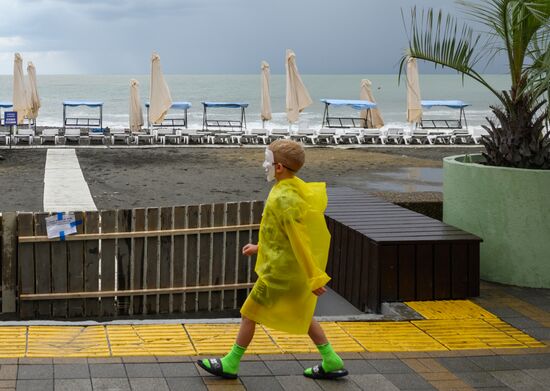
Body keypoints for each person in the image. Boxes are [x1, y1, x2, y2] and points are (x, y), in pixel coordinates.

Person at [198, 139, 348, 380]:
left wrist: (315, 276)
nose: (263, 165)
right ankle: (331, 359)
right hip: (288, 269)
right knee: (304, 314)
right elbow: (281, 235)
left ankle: (231, 362)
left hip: (279, 273)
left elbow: (299, 239)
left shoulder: (284, 198)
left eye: (267, 161)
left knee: (249, 313)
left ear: (279, 167)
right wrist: (259, 247)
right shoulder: (290, 188)